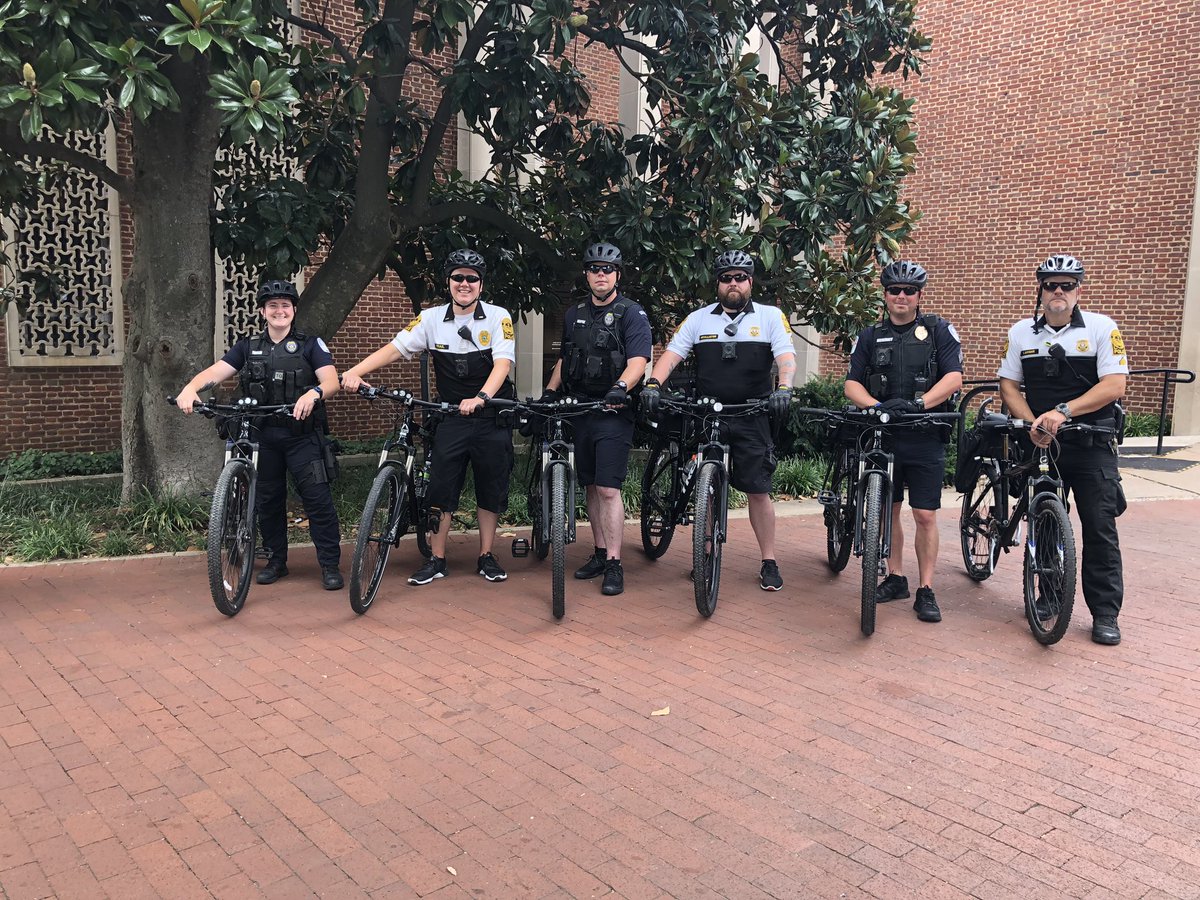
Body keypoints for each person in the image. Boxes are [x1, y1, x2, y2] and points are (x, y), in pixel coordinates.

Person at [341, 249, 517, 586]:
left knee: (490, 486)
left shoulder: (498, 316)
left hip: (490, 412)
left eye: (472, 278)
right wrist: (354, 372)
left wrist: (481, 397)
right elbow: (395, 348)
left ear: (481, 285)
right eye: (458, 277)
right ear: (448, 282)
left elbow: (503, 364)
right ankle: (436, 559)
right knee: (439, 486)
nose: (464, 284)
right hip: (450, 414)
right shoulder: (431, 318)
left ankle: (486, 555)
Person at [641, 249, 796, 591]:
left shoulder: (770, 317)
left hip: (751, 413)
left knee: (758, 491)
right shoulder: (698, 319)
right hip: (707, 412)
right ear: (718, 284)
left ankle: (768, 560)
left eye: (740, 277)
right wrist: (653, 383)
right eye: (726, 278)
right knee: (706, 487)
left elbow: (786, 357)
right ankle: (705, 551)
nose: (733, 284)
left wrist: (784, 388)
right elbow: (671, 355)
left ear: (750, 282)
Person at [175, 280, 344, 590]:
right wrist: (190, 388)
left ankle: (330, 564)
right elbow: (216, 371)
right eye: (272, 306)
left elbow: (332, 380)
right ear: (263, 311)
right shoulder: (248, 346)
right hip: (263, 435)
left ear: (294, 310)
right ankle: (277, 561)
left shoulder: (311, 344)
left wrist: (314, 393)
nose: (279, 311)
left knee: (317, 500)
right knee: (268, 500)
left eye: (285, 305)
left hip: (301, 436)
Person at [998, 254, 1128, 645]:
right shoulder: (1022, 332)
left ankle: (1105, 613)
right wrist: (1032, 422)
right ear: (1040, 290)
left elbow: (1114, 384)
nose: (1058, 291)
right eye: (1051, 284)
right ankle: (1047, 596)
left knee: (1100, 528)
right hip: (1043, 444)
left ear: (1078, 291)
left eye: (1067, 285)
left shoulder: (1103, 328)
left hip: (1090, 443)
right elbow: (1008, 385)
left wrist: (1062, 412)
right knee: (1045, 523)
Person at [844, 260, 964, 623]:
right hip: (885, 433)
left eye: (908, 291)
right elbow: (851, 383)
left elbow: (954, 378)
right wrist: (878, 407)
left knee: (924, 514)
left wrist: (916, 404)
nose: (901, 296)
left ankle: (926, 589)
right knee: (888, 508)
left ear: (918, 296)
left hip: (926, 433)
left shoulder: (939, 330)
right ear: (885, 295)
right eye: (894, 290)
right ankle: (896, 577)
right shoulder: (869, 335)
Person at [540, 242, 653, 597]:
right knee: (590, 485)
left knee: (607, 488)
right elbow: (565, 358)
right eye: (593, 269)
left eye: (607, 269)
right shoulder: (574, 314)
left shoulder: (631, 314)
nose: (600, 275)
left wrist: (621, 387)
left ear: (617, 274)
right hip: (579, 409)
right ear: (586, 274)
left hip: (613, 410)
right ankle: (601, 552)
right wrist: (549, 392)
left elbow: (638, 361)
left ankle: (616, 563)